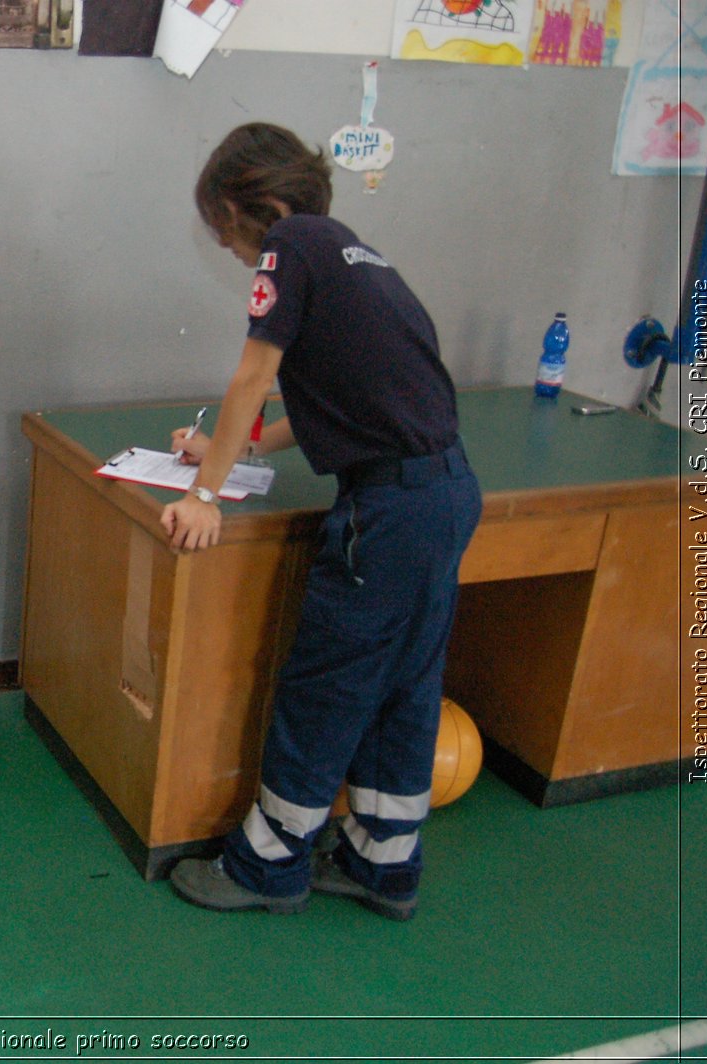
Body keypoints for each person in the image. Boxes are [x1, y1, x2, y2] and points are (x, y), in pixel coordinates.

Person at [163, 123, 481, 922]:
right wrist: (226, 455)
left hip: (389, 510)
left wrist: (202, 495)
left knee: (326, 688)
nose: (232, 251)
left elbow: (253, 375)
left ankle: (267, 866)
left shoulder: (292, 245)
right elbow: (326, 406)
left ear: (257, 207)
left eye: (225, 230)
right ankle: (384, 863)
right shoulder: (354, 255)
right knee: (403, 686)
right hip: (443, 494)